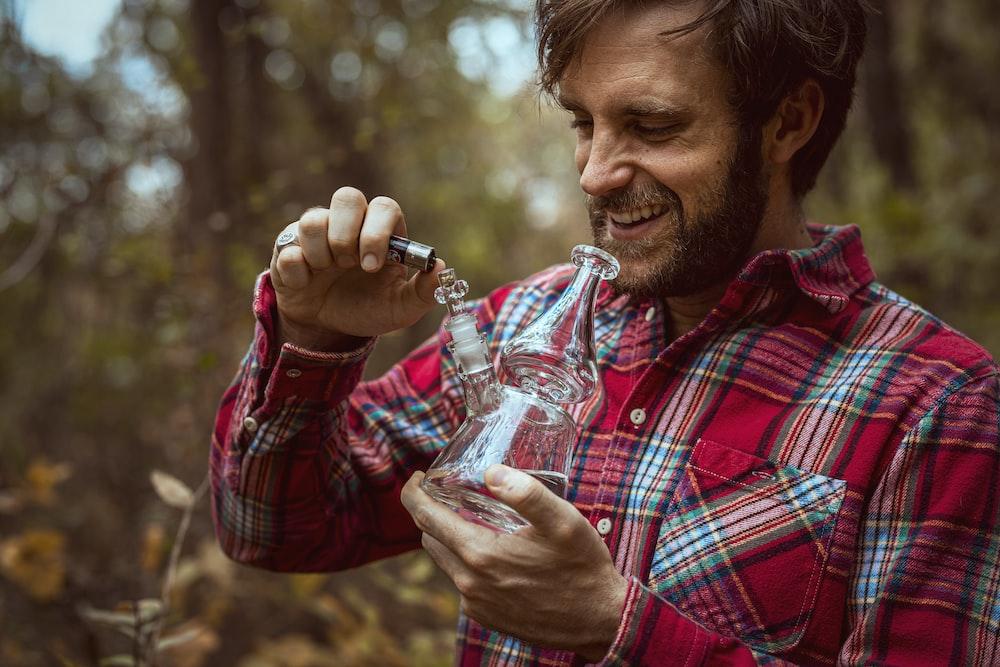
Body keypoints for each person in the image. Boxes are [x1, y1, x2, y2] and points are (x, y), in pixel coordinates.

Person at [210, 0, 1000, 664]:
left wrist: (616, 628)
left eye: (651, 125)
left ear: (788, 120)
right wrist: (311, 336)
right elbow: (272, 529)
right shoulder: (524, 325)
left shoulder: (936, 404)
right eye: (584, 122)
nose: (594, 172)